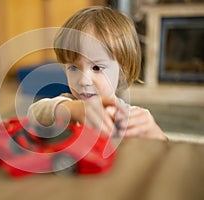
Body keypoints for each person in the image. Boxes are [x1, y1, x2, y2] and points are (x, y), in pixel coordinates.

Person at [27, 6, 167, 141]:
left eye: (96, 68)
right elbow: (34, 113)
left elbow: (164, 153)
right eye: (74, 68)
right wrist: (71, 111)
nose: (84, 81)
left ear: (122, 72)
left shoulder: (130, 117)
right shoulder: (69, 104)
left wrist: (155, 133)